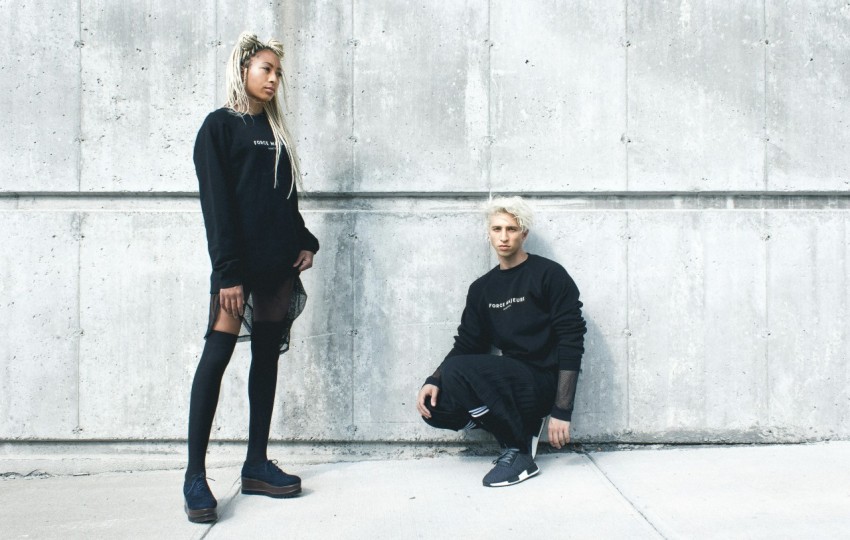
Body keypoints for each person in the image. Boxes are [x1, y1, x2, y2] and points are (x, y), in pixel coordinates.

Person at [183, 32, 319, 523]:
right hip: (237, 268)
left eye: (278, 72)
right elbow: (217, 207)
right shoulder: (218, 127)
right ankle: (194, 476)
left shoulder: (275, 131)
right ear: (242, 69)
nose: (274, 79)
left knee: (266, 358)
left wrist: (305, 240)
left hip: (278, 264)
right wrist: (227, 273)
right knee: (216, 356)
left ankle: (256, 464)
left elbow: (284, 198)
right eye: (266, 69)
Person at [416, 196, 586, 487]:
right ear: (489, 233)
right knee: (436, 406)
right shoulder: (482, 288)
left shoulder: (548, 274)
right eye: (497, 229)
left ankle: (519, 451)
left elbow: (571, 340)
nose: (504, 237)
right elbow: (467, 343)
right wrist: (434, 379)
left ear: (524, 234)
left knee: (457, 370)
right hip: (506, 382)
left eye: (511, 229)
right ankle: (515, 428)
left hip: (542, 381)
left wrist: (561, 410)